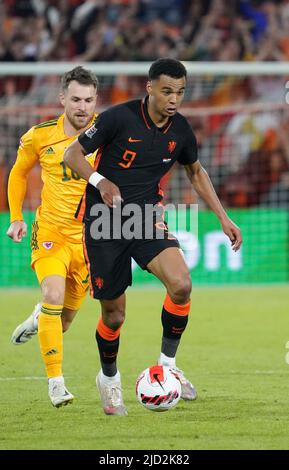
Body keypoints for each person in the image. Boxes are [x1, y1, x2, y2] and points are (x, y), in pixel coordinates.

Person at [64, 58, 242, 416]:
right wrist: (101, 181)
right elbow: (72, 154)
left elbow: (195, 171)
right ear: (149, 89)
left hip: (146, 219)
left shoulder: (181, 130)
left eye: (180, 92)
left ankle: (169, 366)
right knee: (114, 317)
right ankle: (109, 378)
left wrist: (223, 217)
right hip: (105, 222)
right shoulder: (119, 117)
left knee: (182, 284)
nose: (174, 99)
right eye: (167, 91)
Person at [7, 66, 98, 407]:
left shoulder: (108, 132)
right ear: (62, 98)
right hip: (51, 232)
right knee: (53, 294)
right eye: (75, 99)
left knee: (65, 319)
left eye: (88, 100)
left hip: (90, 240)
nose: (81, 107)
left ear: (95, 101)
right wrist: (16, 217)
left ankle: (38, 317)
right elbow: (18, 172)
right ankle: (56, 384)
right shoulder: (40, 135)